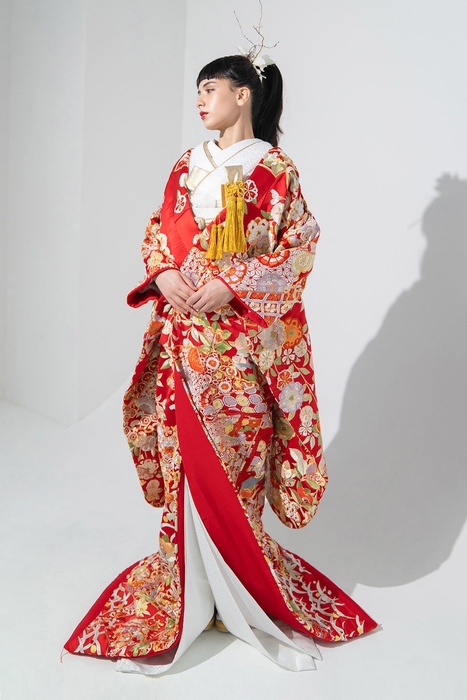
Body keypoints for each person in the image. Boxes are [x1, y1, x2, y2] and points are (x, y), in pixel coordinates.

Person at [64, 51, 378, 674]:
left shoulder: (276, 169)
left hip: (241, 351)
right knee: (185, 466)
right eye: (198, 90)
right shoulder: (187, 165)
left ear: (244, 94)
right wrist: (165, 273)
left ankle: (243, 601)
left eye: (211, 88)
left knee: (236, 469)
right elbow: (157, 229)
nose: (201, 100)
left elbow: (300, 245)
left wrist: (233, 283)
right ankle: (188, 597)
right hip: (185, 338)